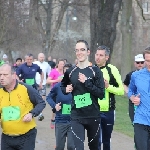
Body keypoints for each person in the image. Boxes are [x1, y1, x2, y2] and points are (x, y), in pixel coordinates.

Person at [61, 40, 105, 150]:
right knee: (78, 148)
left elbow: (101, 94)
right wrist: (66, 89)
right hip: (77, 116)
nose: (79, 52)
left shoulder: (95, 71)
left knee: (94, 147)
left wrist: (87, 82)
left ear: (88, 52)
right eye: (77, 50)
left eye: (82, 50)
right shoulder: (70, 71)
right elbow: (62, 86)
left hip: (93, 116)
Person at [0, 64, 46, 150]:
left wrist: (31, 114)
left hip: (26, 136)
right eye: (0, 75)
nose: (2, 77)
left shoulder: (26, 88)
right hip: (7, 137)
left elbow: (41, 103)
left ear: (13, 75)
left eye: (5, 75)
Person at [95, 45, 124, 150]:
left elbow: (121, 90)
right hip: (94, 111)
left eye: (101, 55)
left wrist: (108, 87)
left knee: (106, 142)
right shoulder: (91, 69)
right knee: (95, 141)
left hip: (108, 112)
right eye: (97, 54)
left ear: (107, 57)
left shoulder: (112, 70)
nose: (98, 57)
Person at [46, 63, 75, 150]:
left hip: (73, 121)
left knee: (71, 146)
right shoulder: (58, 86)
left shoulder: (78, 87)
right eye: (66, 72)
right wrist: (54, 106)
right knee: (59, 147)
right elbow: (49, 97)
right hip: (60, 121)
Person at [128, 47, 150, 150]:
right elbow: (130, 91)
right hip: (141, 120)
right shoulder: (136, 75)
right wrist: (132, 98)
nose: (149, 63)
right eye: (147, 60)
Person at [124, 54, 145, 123]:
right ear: (135, 63)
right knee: (135, 122)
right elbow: (124, 84)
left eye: (142, 62)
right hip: (133, 102)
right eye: (138, 62)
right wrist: (129, 93)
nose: (140, 64)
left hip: (145, 102)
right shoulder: (131, 75)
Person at [47, 58, 65, 129]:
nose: (61, 66)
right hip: (55, 91)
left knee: (62, 105)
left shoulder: (65, 72)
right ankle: (52, 119)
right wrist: (56, 80)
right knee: (55, 107)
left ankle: (60, 120)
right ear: (58, 64)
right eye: (60, 64)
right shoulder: (54, 71)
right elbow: (48, 81)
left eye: (63, 64)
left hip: (63, 91)